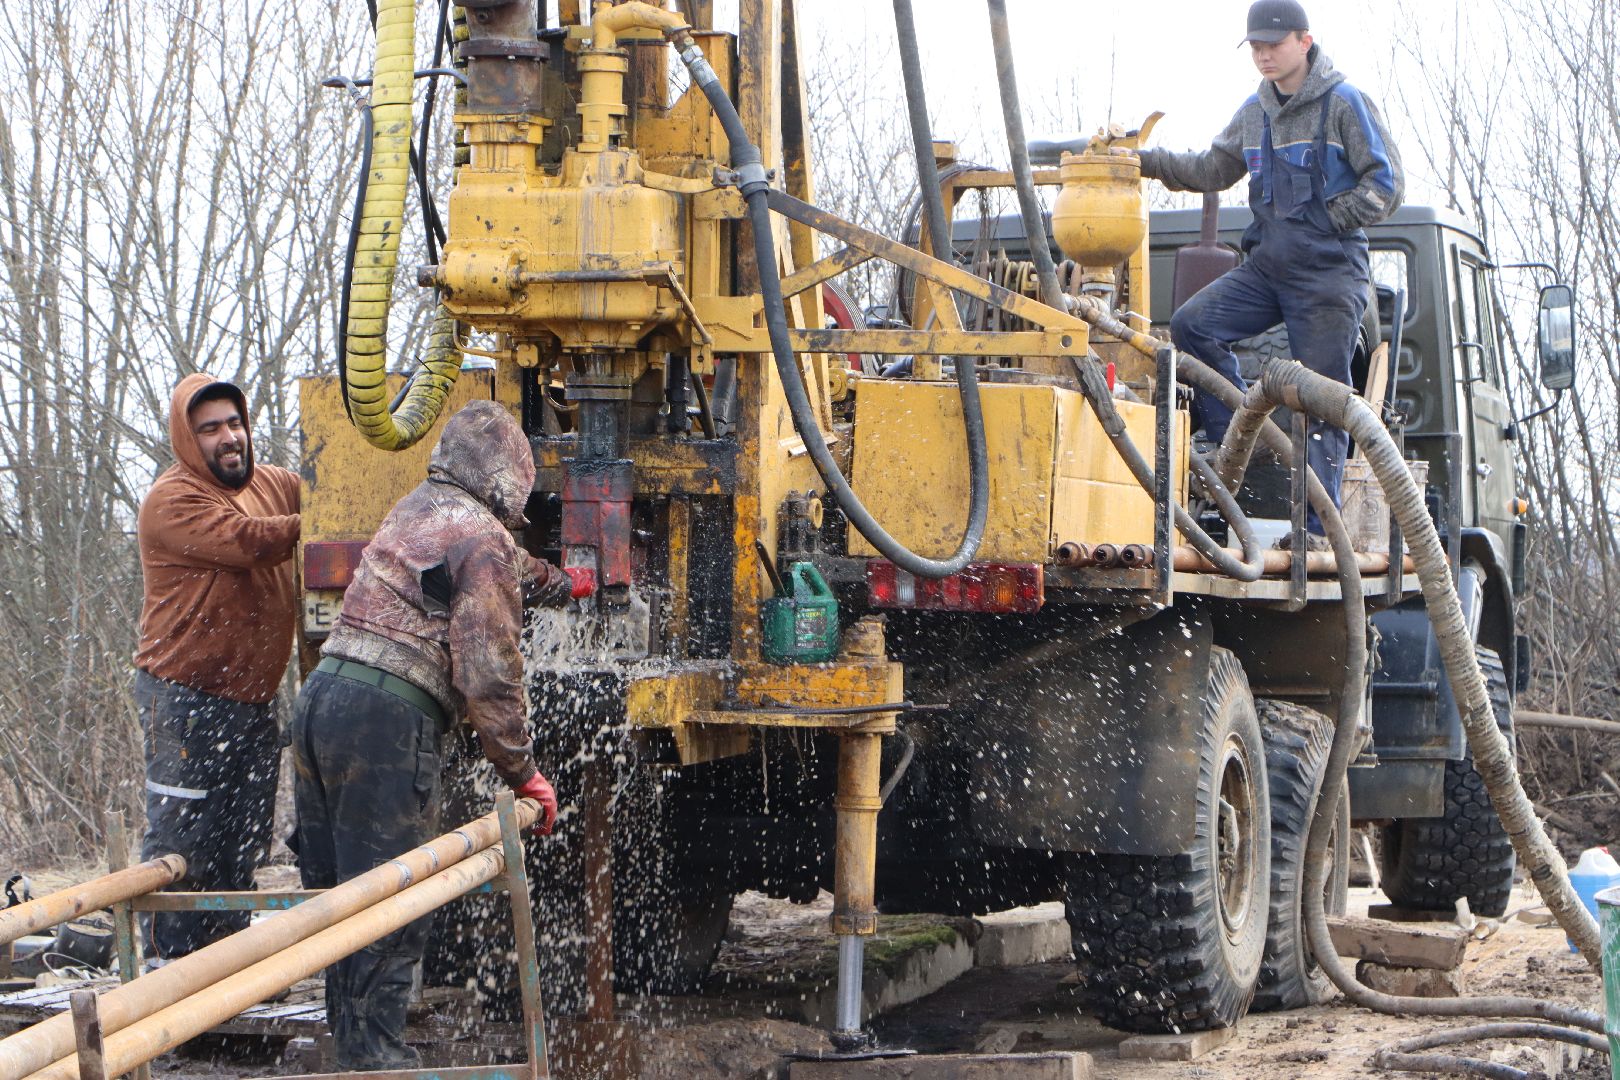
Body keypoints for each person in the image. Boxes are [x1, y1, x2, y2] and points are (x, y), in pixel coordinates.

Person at [290, 401, 591, 1071]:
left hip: (320, 704)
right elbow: (489, 674)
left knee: (338, 902)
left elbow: (504, 565)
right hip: (386, 721)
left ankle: (352, 1051)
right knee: (390, 904)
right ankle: (377, 1063)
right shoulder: (482, 536)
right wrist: (524, 774)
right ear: (510, 480)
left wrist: (561, 583)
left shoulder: (419, 510)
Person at [1137, 0, 1404, 542]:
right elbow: (1211, 169)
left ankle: (1315, 530)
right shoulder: (1254, 111)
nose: (1262, 55)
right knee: (1193, 325)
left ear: (1304, 42)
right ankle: (1239, 426)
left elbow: (1387, 185)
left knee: (1322, 404)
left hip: (1329, 276)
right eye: (1255, 46)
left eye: (1272, 45)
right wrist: (1147, 162)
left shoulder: (1344, 104)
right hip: (1268, 269)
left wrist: (1328, 219)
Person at [134, 374, 301, 960]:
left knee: (241, 845)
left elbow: (325, 499)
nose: (228, 438)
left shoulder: (274, 485)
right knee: (184, 846)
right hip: (184, 701)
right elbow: (252, 542)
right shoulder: (172, 500)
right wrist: (320, 523)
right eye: (210, 429)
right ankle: (165, 978)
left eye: (234, 423)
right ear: (187, 438)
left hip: (253, 702)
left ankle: (225, 975)